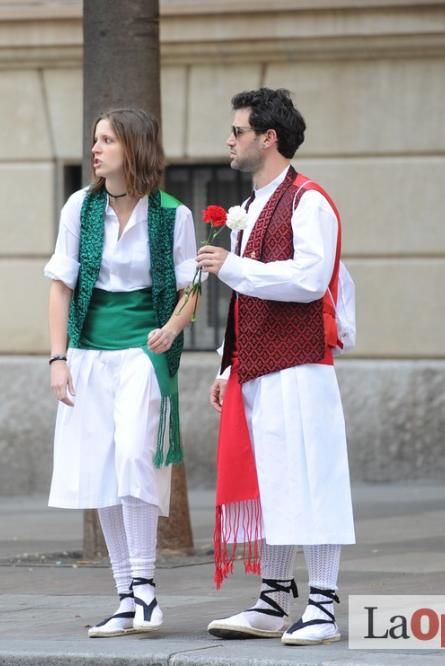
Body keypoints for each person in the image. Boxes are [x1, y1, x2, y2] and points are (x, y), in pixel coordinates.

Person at [195, 88, 355, 646]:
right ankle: (273, 598)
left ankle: (324, 604)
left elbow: (311, 279)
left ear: (269, 138)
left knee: (313, 477)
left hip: (301, 362)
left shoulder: (309, 200)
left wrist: (235, 267)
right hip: (258, 366)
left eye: (237, 131)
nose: (229, 140)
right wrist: (225, 365)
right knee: (272, 483)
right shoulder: (253, 208)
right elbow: (245, 301)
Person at [43, 107, 200, 638]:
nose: (95, 149)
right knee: (101, 466)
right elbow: (60, 285)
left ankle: (146, 585)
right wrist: (58, 358)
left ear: (132, 148)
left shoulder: (171, 214)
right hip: (88, 351)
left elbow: (190, 291)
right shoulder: (79, 208)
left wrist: (172, 330)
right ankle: (126, 597)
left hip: (144, 350)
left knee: (135, 452)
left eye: (106, 139)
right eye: (94, 140)